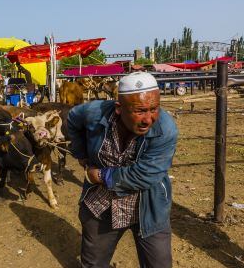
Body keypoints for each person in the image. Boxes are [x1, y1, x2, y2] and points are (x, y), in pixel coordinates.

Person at [67, 72, 178, 268]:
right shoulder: (96, 112)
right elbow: (73, 118)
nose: (148, 119)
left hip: (148, 205)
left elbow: (143, 175)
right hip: (101, 203)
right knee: (93, 264)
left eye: (154, 109)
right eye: (140, 111)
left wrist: (99, 175)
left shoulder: (165, 129)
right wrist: (81, 154)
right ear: (119, 108)